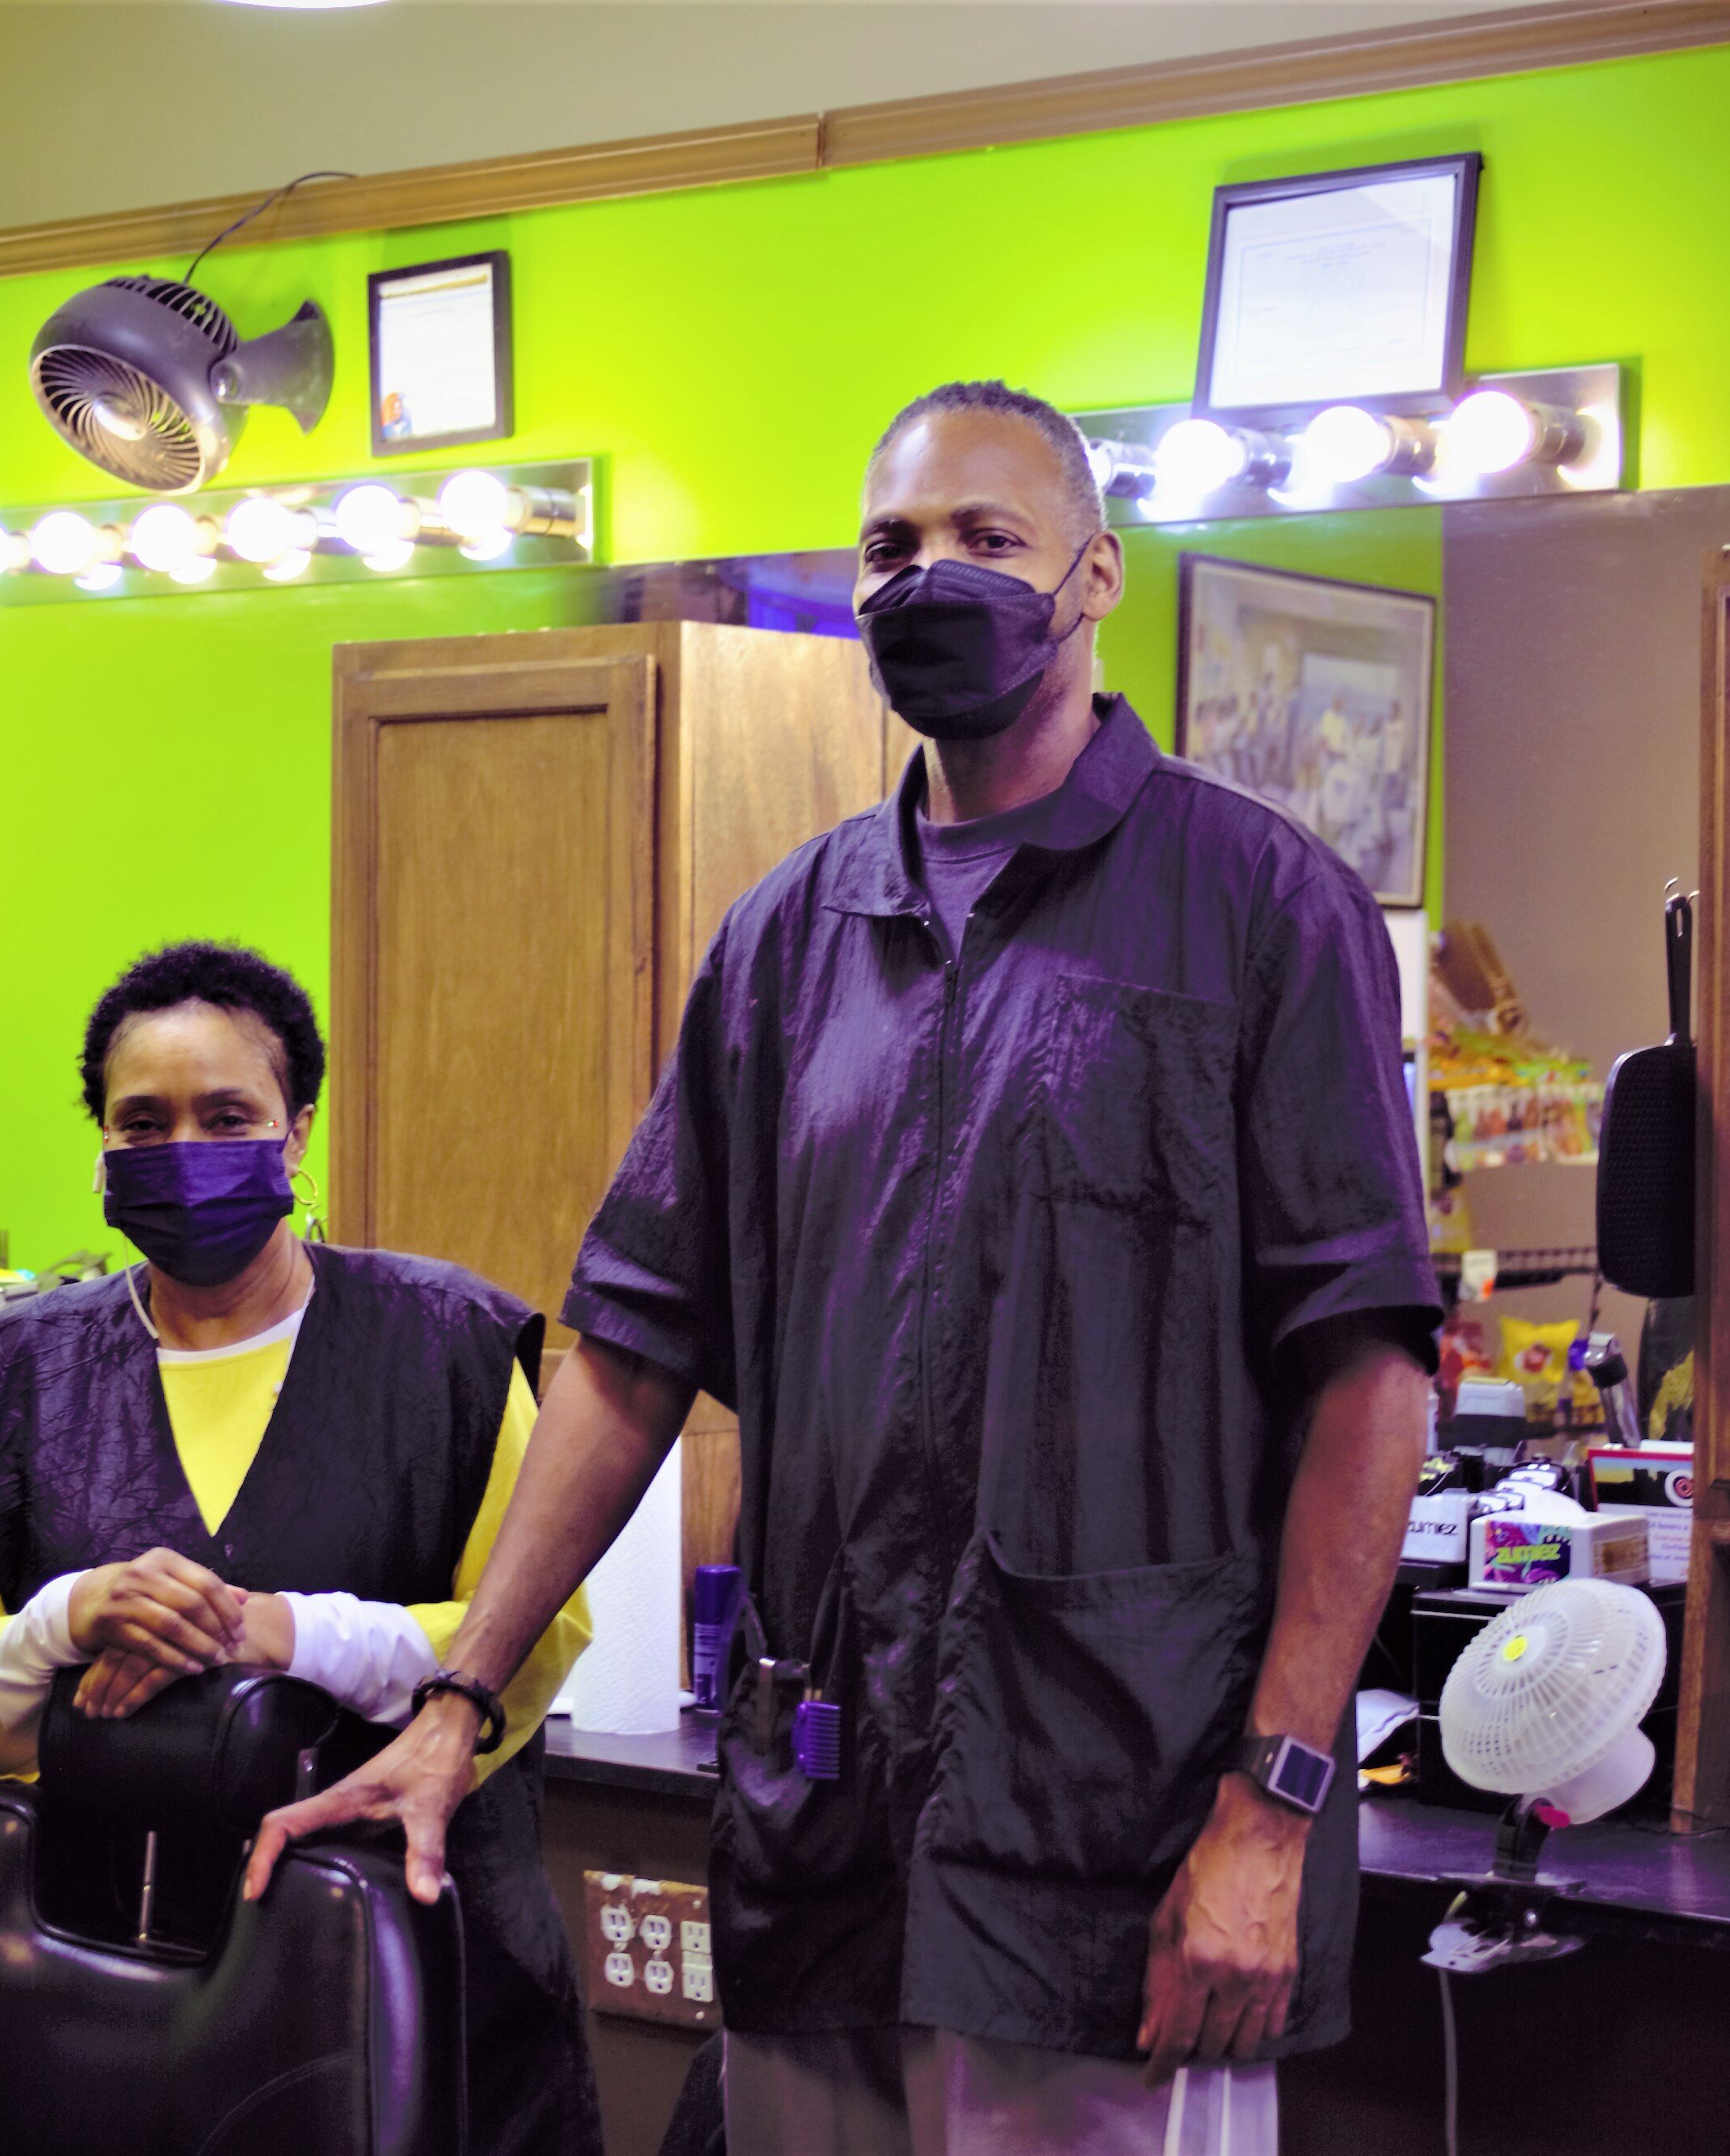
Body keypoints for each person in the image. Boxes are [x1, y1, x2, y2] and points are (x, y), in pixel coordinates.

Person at [248, 382, 1438, 2155]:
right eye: (891, 548)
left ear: (1097, 575)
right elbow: (631, 1346)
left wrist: (1271, 1812)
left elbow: (1372, 1377)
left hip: (1123, 1855)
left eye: (988, 541)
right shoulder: (790, 942)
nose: (931, 578)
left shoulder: (1257, 912)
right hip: (827, 1842)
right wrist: (460, 1696)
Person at [0, 938, 602, 2156]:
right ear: (102, 1145)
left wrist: (290, 1633)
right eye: (142, 1123)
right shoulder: (20, 1375)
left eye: (226, 1115)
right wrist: (62, 1620)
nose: (182, 1152)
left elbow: (535, 1634)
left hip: (412, 1984)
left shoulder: (448, 1353)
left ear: (298, 1128)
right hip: (105, 1988)